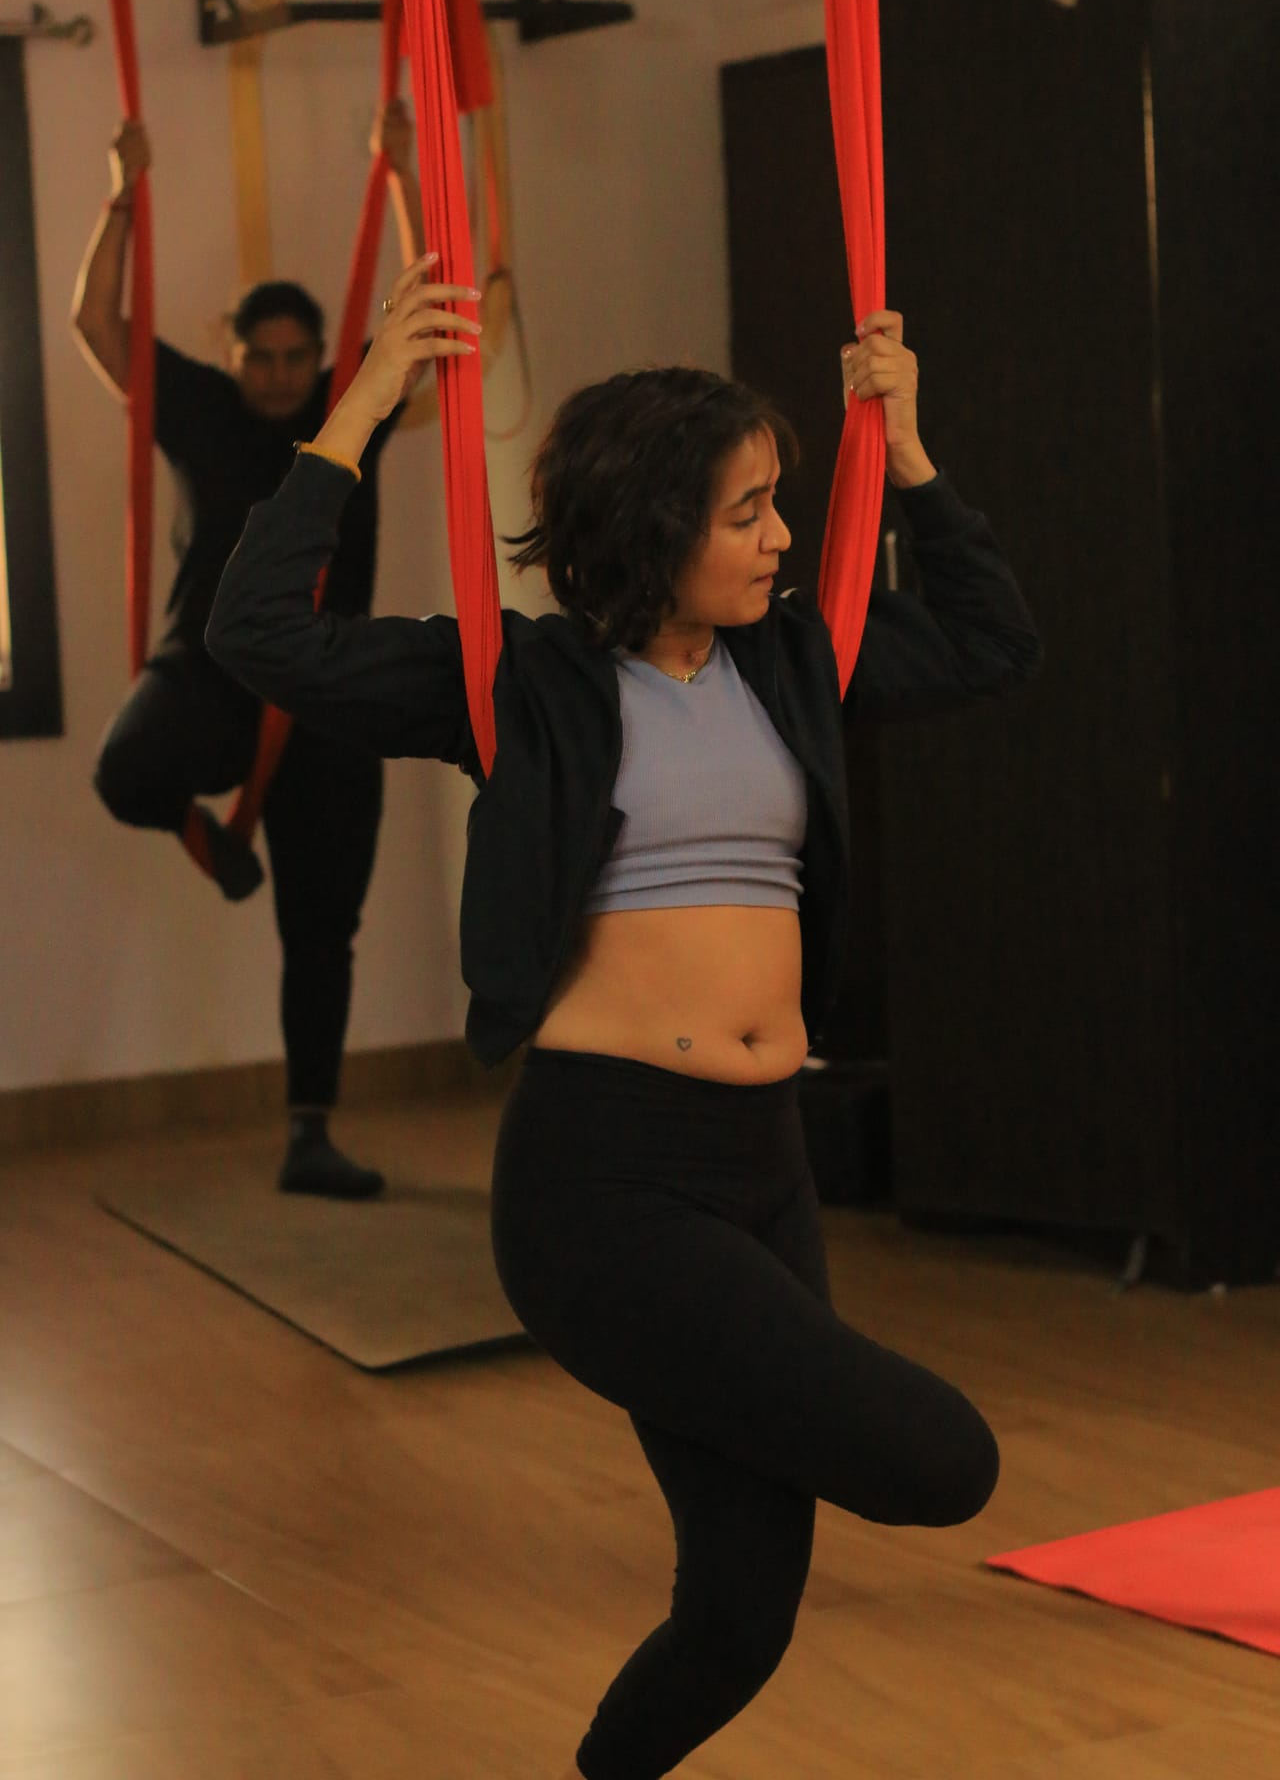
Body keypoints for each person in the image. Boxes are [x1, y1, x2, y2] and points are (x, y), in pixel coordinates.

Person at [206, 253, 1043, 1778]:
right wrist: (367, 404)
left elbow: (994, 639)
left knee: (741, 1612)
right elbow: (257, 635)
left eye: (782, 501)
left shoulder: (796, 657)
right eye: (748, 512)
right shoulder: (517, 685)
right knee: (944, 1462)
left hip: (761, 1170)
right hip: (605, 1189)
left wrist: (908, 451)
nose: (782, 537)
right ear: (653, 530)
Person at [71, 102, 427, 1200]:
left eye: (294, 358)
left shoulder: (351, 407)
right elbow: (97, 319)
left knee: (322, 927)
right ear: (232, 357)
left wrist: (403, 177)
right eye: (258, 358)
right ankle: (207, 834)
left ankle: (308, 1131)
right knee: (127, 770)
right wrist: (122, 194)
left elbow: (441, 313)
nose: (277, 375)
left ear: (321, 358)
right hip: (212, 671)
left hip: (328, 694)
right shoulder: (203, 410)